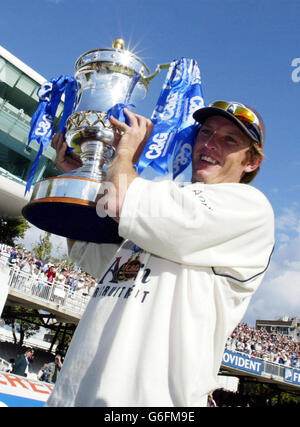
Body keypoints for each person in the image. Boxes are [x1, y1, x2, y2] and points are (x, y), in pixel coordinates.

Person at [46, 101, 275, 407]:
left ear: (252, 162)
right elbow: (87, 249)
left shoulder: (249, 207)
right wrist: (87, 176)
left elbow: (120, 203)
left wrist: (125, 154)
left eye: (229, 140)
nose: (209, 143)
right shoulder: (164, 200)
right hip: (74, 398)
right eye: (205, 132)